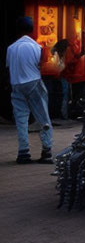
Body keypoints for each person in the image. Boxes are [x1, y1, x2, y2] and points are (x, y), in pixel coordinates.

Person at [6, 16, 53, 164]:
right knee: (43, 118)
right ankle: (46, 151)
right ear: (32, 30)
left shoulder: (11, 48)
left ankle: (23, 152)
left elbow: (9, 67)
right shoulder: (37, 47)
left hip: (16, 85)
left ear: (18, 31)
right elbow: (42, 66)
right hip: (34, 83)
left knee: (21, 120)